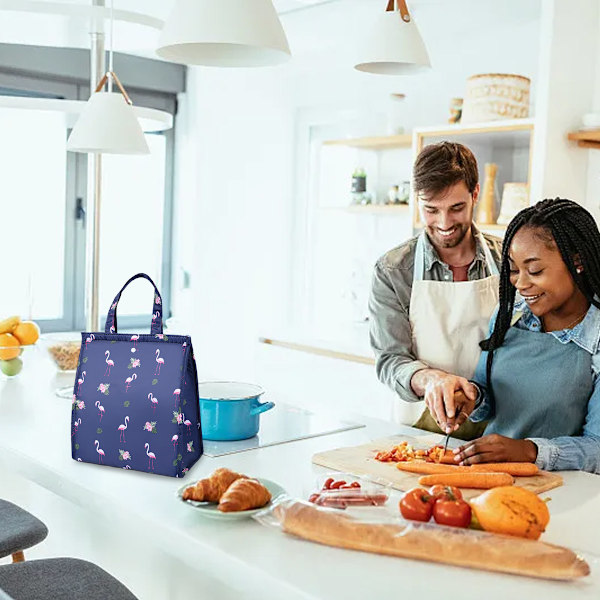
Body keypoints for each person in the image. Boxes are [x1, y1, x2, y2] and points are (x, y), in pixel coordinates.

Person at [450, 198, 600, 473]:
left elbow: (598, 448)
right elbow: (485, 397)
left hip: (564, 492)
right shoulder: (511, 315)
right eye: (514, 270)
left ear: (577, 260)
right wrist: (470, 397)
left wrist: (529, 451)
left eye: (534, 271)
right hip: (488, 478)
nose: (520, 284)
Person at [369, 142, 501, 439]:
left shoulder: (507, 261)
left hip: (497, 428)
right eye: (431, 209)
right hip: (418, 429)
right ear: (417, 200)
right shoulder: (392, 271)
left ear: (475, 194)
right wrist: (430, 380)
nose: (444, 223)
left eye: (456, 208)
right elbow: (391, 359)